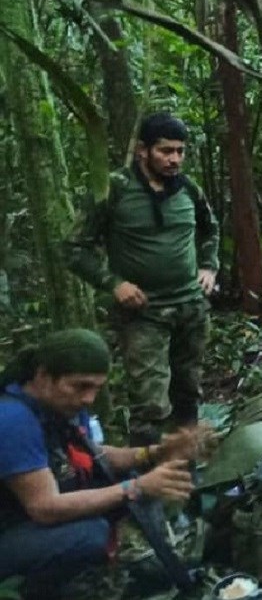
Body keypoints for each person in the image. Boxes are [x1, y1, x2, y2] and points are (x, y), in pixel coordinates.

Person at [0, 329, 209, 597]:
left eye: (96, 388)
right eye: (80, 386)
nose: (89, 398)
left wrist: (155, 452)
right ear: (43, 376)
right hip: (13, 528)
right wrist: (136, 487)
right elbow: (45, 508)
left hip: (28, 515)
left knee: (128, 479)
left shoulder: (60, 405)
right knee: (90, 535)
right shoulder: (13, 419)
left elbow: (94, 454)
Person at [65, 112, 218, 443]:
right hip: (144, 313)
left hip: (190, 308)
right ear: (142, 151)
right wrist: (114, 283)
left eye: (180, 151)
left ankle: (185, 475)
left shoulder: (189, 189)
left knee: (188, 393)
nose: (174, 159)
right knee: (149, 405)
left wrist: (209, 266)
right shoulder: (113, 190)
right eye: (165, 151)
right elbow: (75, 249)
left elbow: (210, 229)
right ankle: (148, 484)